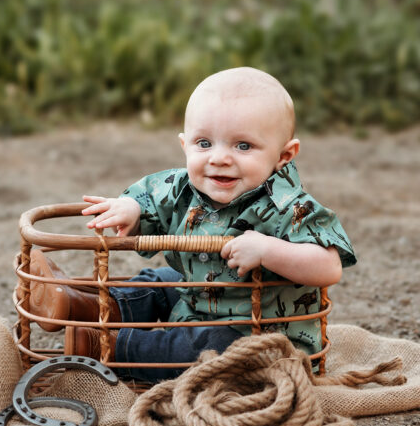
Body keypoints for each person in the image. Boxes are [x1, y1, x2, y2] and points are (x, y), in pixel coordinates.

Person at [28, 67, 356, 382]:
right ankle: (88, 306)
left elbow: (329, 268)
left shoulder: (292, 207)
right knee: (161, 281)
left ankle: (111, 347)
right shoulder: (184, 185)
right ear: (185, 145)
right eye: (204, 143)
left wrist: (269, 250)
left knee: (202, 346)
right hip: (196, 299)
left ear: (285, 155)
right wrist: (130, 208)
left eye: (243, 146)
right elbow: (150, 197)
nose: (219, 158)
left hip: (256, 337)